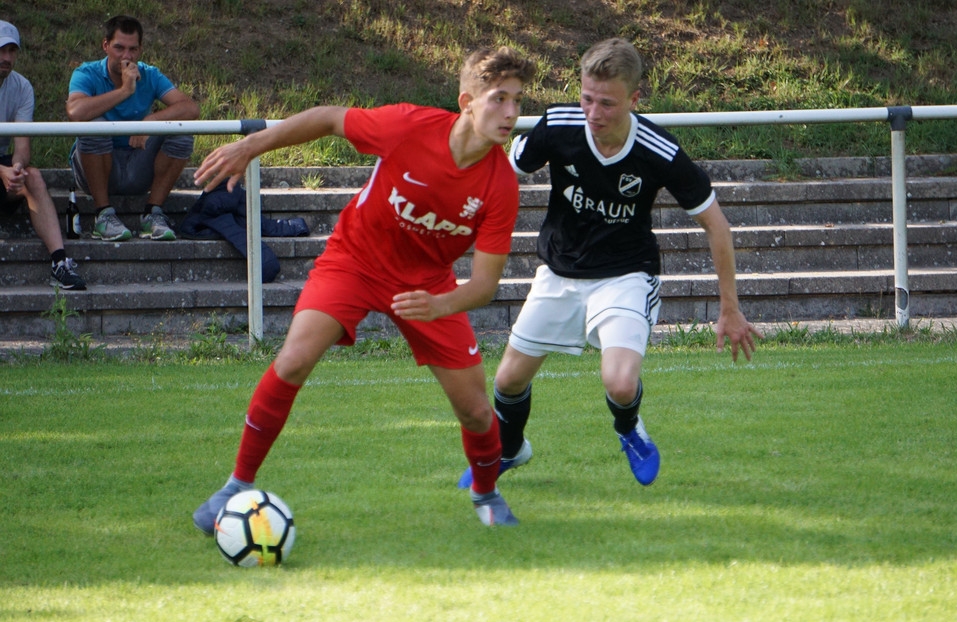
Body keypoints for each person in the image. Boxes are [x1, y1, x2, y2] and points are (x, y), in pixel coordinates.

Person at [191, 47, 537, 532]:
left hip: (427, 286)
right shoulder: (409, 126)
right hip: (354, 261)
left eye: (518, 101)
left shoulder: (500, 184)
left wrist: (439, 304)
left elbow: (484, 285)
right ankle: (236, 484)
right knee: (293, 359)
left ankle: (486, 494)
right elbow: (331, 118)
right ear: (467, 101)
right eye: (499, 99)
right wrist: (253, 146)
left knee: (478, 412)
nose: (511, 113)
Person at [457, 38, 762, 490]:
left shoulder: (659, 151)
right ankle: (511, 448)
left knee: (619, 383)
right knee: (507, 382)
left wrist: (730, 308)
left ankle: (629, 429)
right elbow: (499, 167)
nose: (593, 113)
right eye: (586, 99)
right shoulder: (559, 125)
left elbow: (717, 226)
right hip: (559, 272)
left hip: (625, 275)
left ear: (634, 100)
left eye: (606, 103)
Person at [66, 15, 200, 242]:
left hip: (137, 164)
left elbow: (190, 108)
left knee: (181, 131)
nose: (126, 56)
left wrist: (151, 122)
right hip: (93, 169)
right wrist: (124, 91)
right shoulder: (86, 72)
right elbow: (75, 112)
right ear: (105, 45)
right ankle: (102, 216)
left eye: (132, 49)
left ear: (140, 50)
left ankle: (152, 214)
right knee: (94, 127)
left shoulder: (150, 74)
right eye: (119, 48)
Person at [0, 20, 86, 290]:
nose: (6, 58)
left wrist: (15, 168)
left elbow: (22, 147)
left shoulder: (22, 87)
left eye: (12, 51)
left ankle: (59, 263)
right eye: (1, 50)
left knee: (32, 176)